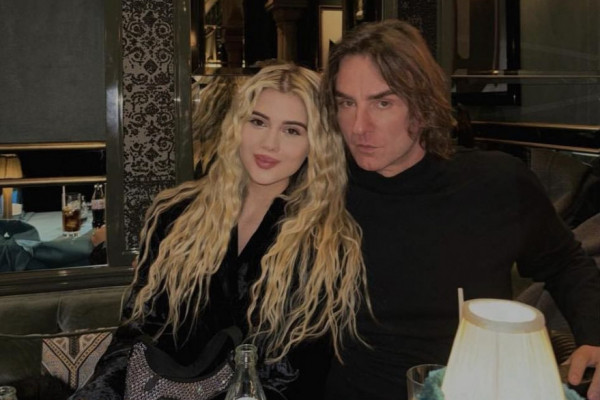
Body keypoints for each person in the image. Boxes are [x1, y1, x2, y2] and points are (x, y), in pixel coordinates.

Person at [320, 19, 600, 400]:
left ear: (423, 106)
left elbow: (565, 263)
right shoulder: (325, 189)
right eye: (346, 103)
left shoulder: (495, 184)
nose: (358, 126)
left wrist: (594, 334)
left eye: (382, 103)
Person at [70, 63, 369, 400]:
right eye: (258, 122)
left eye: (292, 130)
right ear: (237, 125)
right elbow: (137, 331)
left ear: (316, 143)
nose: (269, 143)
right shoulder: (176, 214)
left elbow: (292, 377)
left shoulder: (326, 242)